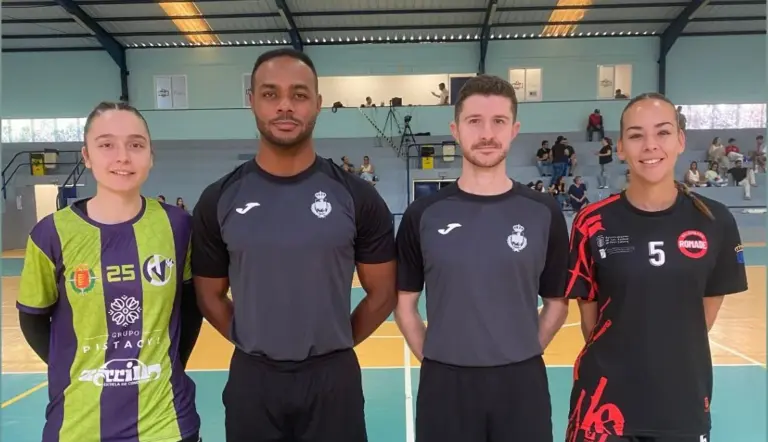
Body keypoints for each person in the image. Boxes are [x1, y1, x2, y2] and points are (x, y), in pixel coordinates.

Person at [190, 48, 396, 442]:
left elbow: (382, 292)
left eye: (299, 95)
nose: (285, 106)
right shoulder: (219, 198)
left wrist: (338, 342)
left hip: (333, 380)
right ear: (251, 101)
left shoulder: (357, 197)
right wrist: (252, 339)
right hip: (254, 380)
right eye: (270, 94)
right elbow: (209, 296)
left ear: (317, 104)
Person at [394, 74, 570, 442]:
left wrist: (524, 351)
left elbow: (556, 303)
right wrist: (435, 357)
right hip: (446, 384)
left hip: (522, 384)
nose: (487, 133)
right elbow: (405, 306)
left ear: (514, 129)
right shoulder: (422, 214)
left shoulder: (543, 211)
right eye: (474, 121)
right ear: (455, 129)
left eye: (498, 122)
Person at [565, 92, 748, 442]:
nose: (650, 145)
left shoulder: (715, 221)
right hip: (601, 406)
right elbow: (591, 322)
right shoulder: (591, 222)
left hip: (680, 406)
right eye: (636, 135)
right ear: (620, 147)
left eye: (662, 132)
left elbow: (702, 316)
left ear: (680, 140)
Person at [16, 101, 203, 442]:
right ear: (86, 156)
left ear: (150, 154)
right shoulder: (50, 234)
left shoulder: (180, 227)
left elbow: (191, 309)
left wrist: (171, 366)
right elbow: (32, 319)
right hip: (78, 426)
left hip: (167, 424)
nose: (123, 157)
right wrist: (73, 365)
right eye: (106, 145)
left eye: (135, 144)